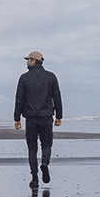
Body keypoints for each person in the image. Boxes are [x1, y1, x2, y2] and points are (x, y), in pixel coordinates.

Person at [13, 50, 62, 188]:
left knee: (32, 148)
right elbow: (57, 97)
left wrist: (17, 118)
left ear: (34, 61)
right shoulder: (51, 77)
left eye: (28, 60)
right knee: (46, 145)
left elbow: (19, 100)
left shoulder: (24, 78)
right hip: (46, 117)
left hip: (31, 119)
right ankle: (45, 163)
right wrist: (59, 116)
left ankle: (34, 178)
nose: (27, 62)